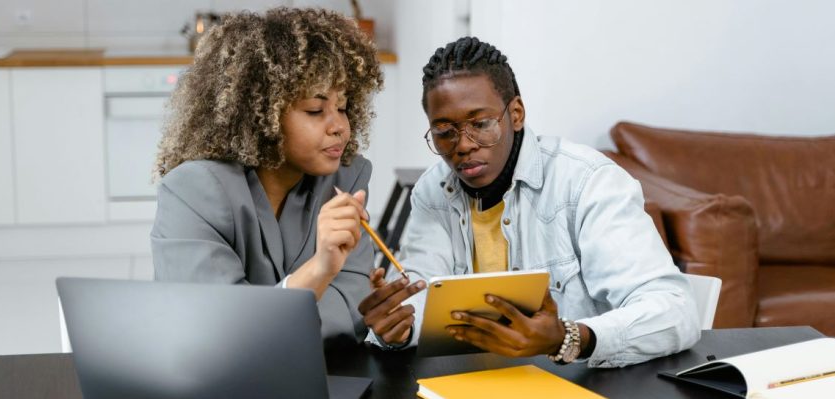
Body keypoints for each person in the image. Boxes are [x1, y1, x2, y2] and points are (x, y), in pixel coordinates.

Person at [360, 37, 700, 367]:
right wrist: (400, 328)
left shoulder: (587, 182)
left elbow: (674, 311)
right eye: (444, 131)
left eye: (480, 124)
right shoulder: (432, 190)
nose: (462, 145)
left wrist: (569, 338)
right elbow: (420, 295)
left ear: (517, 113)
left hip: (578, 384)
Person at [151, 8, 383, 347]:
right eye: (315, 110)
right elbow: (214, 333)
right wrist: (319, 271)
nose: (339, 126)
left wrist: (261, 322)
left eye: (343, 107)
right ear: (263, 116)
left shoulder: (346, 179)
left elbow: (350, 314)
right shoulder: (193, 191)